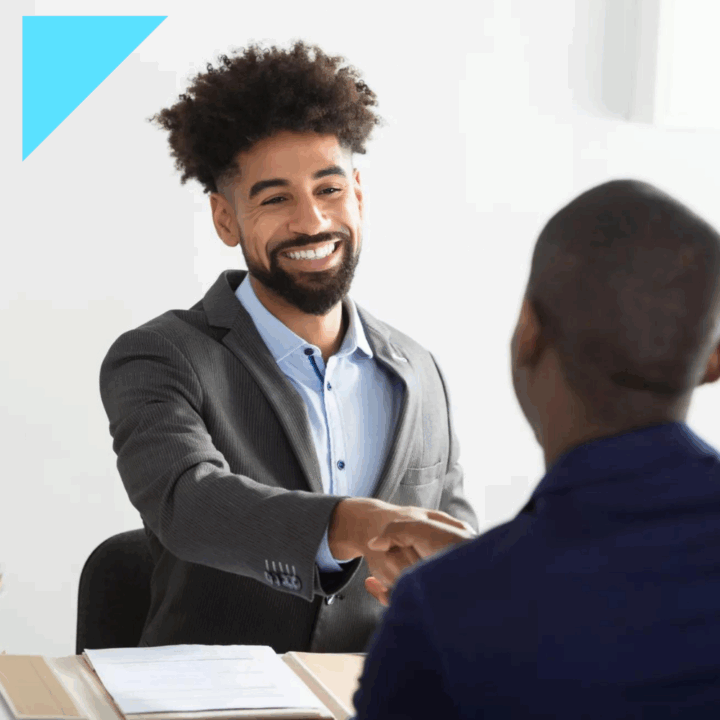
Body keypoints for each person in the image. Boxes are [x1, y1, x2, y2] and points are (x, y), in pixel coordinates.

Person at [99, 41, 478, 654]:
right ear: (226, 220)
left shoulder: (419, 370)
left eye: (328, 189)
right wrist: (361, 522)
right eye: (275, 199)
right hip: (216, 702)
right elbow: (189, 504)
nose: (311, 221)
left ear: (358, 192)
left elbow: (454, 552)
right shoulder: (159, 356)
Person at [353, 179, 720, 718]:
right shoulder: (456, 603)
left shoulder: (444, 615)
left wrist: (462, 590)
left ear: (528, 332)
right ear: (713, 363)